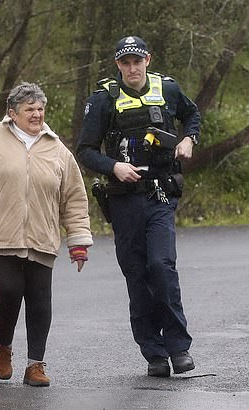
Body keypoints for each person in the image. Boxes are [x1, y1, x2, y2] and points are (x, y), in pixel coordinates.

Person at [0, 82, 92, 387]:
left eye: (41, 108)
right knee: (9, 288)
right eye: (30, 109)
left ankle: (35, 365)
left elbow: (74, 197)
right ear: (12, 113)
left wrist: (78, 240)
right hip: (0, 232)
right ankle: (4, 347)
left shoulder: (56, 148)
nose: (37, 114)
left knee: (40, 298)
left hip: (42, 234)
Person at [76, 36, 201, 378]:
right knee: (137, 273)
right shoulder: (104, 100)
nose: (132, 68)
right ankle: (153, 351)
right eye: (125, 63)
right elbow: (85, 150)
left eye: (137, 61)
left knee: (162, 266)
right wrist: (113, 167)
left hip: (160, 195)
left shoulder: (169, 90)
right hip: (124, 199)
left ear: (148, 59)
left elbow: (193, 116)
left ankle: (179, 346)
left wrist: (189, 139)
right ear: (118, 65)